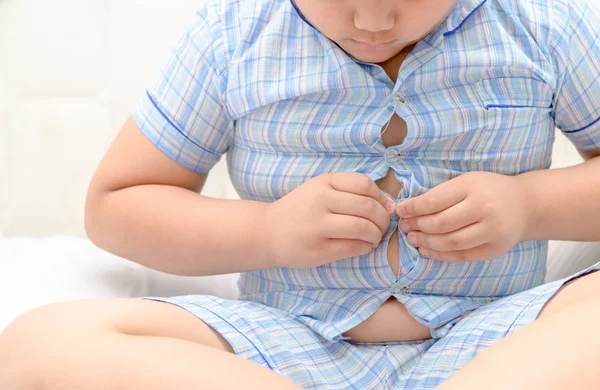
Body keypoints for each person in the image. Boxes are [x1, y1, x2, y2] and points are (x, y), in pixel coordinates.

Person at [2, 0, 600, 388]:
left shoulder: (541, 25)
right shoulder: (232, 35)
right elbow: (117, 204)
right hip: (285, 347)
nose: (371, 22)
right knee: (36, 345)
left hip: (498, 342)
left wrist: (531, 206)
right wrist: (265, 232)